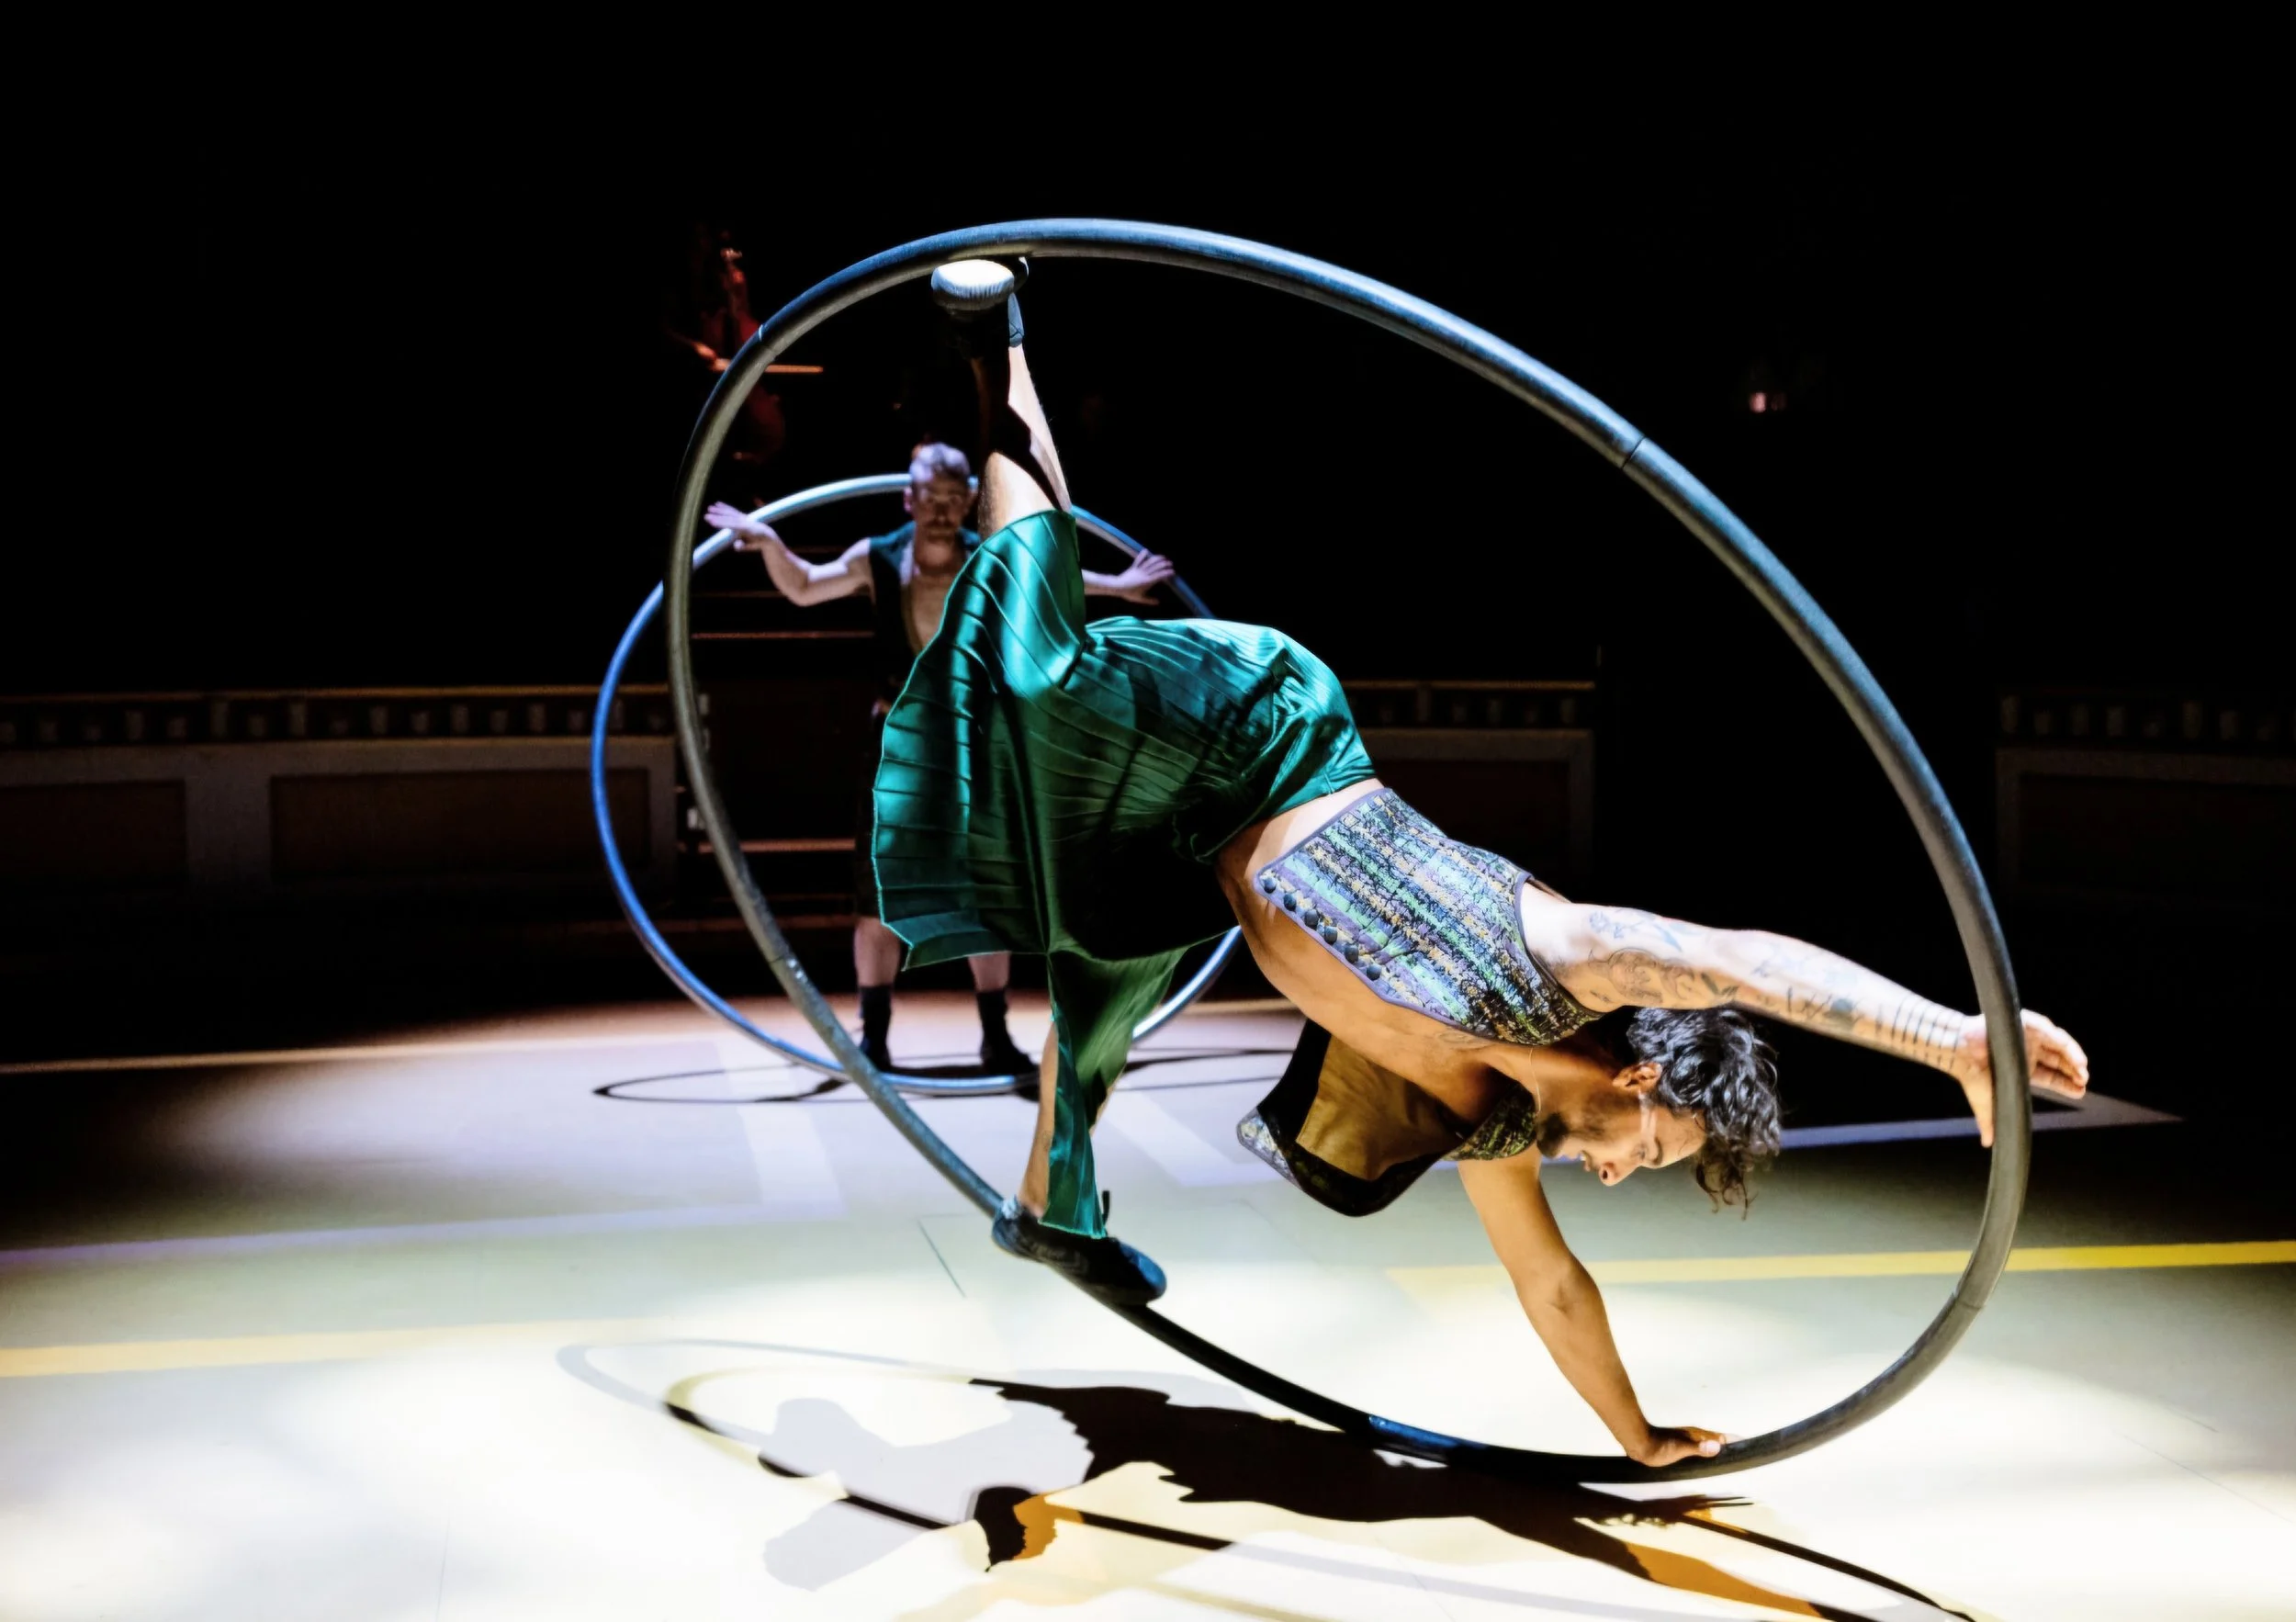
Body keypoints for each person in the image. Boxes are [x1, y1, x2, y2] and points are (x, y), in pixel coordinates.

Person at [706, 443, 1175, 1077]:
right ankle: (872, 1039)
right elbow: (806, 587)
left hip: (970, 741)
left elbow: (1051, 583)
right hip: (895, 741)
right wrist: (770, 546)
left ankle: (994, 1034)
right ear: (910, 499)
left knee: (985, 895)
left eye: (956, 500)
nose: (943, 512)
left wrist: (1121, 585)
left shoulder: (986, 558)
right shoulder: (878, 557)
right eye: (933, 499)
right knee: (877, 900)